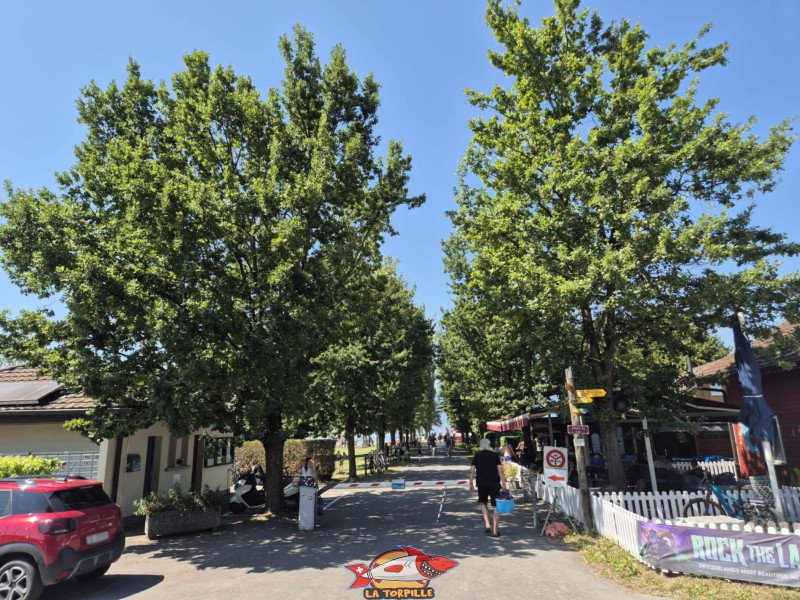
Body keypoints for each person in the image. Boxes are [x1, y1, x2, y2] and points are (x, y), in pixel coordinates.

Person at [469, 438, 508, 537]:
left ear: (481, 445)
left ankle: (487, 525)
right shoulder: (495, 455)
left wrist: (471, 483)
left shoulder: (477, 455)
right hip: (494, 483)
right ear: (489, 445)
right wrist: (504, 483)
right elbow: (500, 471)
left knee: (483, 503)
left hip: (481, 483)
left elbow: (472, 471)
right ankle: (495, 530)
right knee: (495, 505)